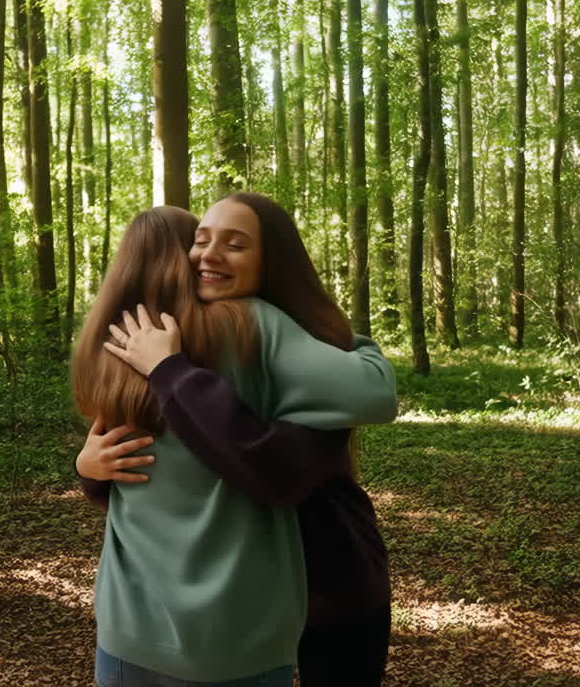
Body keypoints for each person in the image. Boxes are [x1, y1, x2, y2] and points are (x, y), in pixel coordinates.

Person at [72, 201, 397, 686]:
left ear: (272, 261)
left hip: (328, 581)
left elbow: (272, 465)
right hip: (237, 620)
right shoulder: (158, 341)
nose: (208, 255)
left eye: (236, 243)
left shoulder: (247, 334)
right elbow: (141, 470)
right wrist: (90, 469)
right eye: (200, 240)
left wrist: (354, 344)